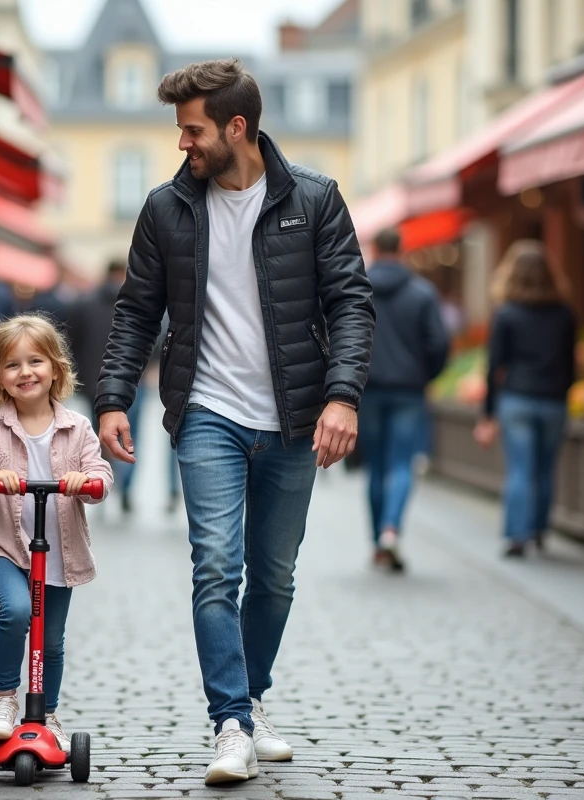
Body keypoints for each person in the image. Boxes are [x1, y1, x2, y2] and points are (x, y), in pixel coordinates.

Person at [92, 58, 374, 785]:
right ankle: (230, 723)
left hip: (293, 417)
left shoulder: (315, 200)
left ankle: (249, 698)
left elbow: (350, 303)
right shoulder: (166, 209)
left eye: (193, 130)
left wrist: (342, 397)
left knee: (273, 576)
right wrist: (114, 397)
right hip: (207, 411)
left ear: (237, 127)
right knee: (216, 565)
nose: (183, 144)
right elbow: (135, 312)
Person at [0, 314, 113, 752]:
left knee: (52, 640)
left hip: (59, 549)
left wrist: (88, 482)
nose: (25, 372)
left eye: (35, 361)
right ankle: (3, 699)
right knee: (18, 612)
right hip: (3, 543)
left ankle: (48, 714)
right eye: (13, 365)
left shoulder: (77, 426)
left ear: (56, 368)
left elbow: (101, 475)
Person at [473, 240, 577, 558]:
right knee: (545, 469)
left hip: (516, 399)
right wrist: (563, 393)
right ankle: (539, 530)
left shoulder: (506, 314)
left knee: (520, 469)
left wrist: (488, 413)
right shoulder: (564, 314)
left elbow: (494, 367)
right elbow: (571, 363)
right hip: (553, 402)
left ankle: (516, 536)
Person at [360, 228, 449, 571]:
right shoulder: (422, 293)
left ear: (374, 248)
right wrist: (426, 375)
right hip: (409, 390)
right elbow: (439, 344)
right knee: (401, 464)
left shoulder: (358, 287)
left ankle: (378, 542)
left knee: (376, 468)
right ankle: (391, 530)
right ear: (402, 249)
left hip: (367, 389)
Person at [67, 260, 144, 512]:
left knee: (100, 433)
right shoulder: (138, 304)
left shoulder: (83, 304)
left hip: (94, 381)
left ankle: (101, 482)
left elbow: (71, 343)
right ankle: (125, 487)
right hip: (133, 380)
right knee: (131, 436)